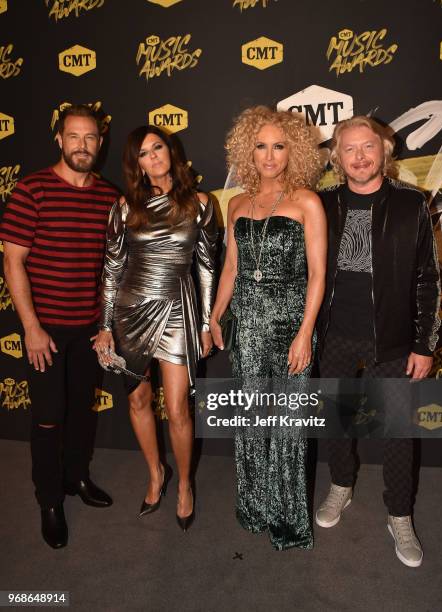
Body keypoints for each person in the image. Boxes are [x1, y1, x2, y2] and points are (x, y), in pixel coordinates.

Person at [316, 116, 441, 567]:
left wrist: (425, 344)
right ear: (336, 157)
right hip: (333, 336)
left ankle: (400, 514)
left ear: (385, 151)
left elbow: (428, 279)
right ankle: (341, 486)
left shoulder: (411, 204)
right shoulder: (321, 203)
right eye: (349, 149)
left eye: (368, 147)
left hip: (393, 339)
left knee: (399, 431)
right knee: (337, 420)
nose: (360, 157)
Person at [0, 104, 117, 549]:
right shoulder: (32, 190)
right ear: (60, 140)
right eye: (74, 137)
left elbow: (110, 268)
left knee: (82, 412)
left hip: (89, 329)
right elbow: (13, 262)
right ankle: (49, 501)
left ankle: (77, 479)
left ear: (99, 143)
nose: (82, 145)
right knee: (49, 418)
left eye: (90, 138)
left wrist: (105, 326)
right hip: (45, 329)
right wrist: (30, 327)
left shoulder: (109, 197)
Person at [210, 106, 326, 550]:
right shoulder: (237, 202)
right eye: (261, 146)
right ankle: (256, 505)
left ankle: (289, 518)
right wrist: (216, 317)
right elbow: (231, 270)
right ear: (248, 152)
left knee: (290, 423)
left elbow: (318, 275)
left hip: (292, 320)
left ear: (293, 151)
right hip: (249, 323)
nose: (270, 155)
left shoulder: (306, 201)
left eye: (279, 146)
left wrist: (304, 331)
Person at [93, 125, 218, 531]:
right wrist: (106, 325)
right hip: (131, 312)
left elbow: (206, 266)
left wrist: (204, 323)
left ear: (171, 151)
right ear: (137, 165)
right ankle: (154, 474)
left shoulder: (201, 203)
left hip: (179, 310)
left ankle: (183, 484)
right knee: (137, 400)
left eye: (158, 148)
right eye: (143, 154)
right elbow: (111, 270)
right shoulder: (125, 207)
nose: (153, 157)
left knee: (179, 408)